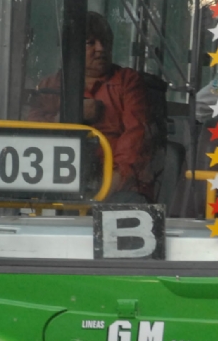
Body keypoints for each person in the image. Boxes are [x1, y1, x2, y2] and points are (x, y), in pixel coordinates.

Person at [27, 11, 156, 200]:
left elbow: (136, 138)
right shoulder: (50, 86)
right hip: (57, 180)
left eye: (105, 42)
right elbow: (31, 133)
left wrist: (110, 185)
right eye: (91, 43)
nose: (101, 49)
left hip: (116, 185)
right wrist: (70, 116)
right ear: (70, 48)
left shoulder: (128, 82)